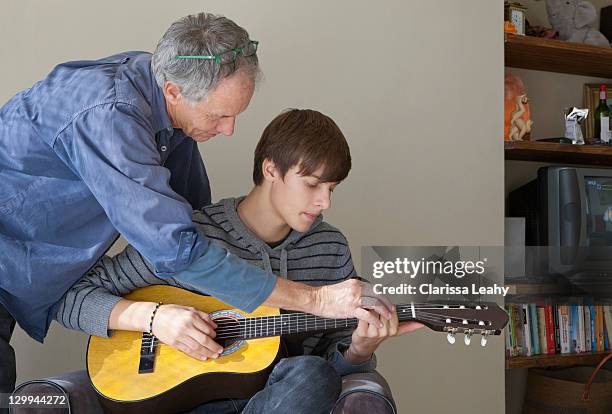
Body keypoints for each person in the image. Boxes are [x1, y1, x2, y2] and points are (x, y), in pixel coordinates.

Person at [0, 12, 389, 402]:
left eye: (235, 114)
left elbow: (196, 236)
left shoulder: (168, 108)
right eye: (219, 116)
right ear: (173, 92)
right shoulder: (110, 116)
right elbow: (180, 252)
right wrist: (317, 300)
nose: (229, 130)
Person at [56, 109, 423, 413]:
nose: (324, 202)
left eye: (332, 189)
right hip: (181, 402)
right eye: (312, 184)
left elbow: (333, 365)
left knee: (313, 373)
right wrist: (156, 318)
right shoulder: (192, 236)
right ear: (270, 170)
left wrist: (360, 348)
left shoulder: (329, 247)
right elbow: (70, 298)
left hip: (275, 403)